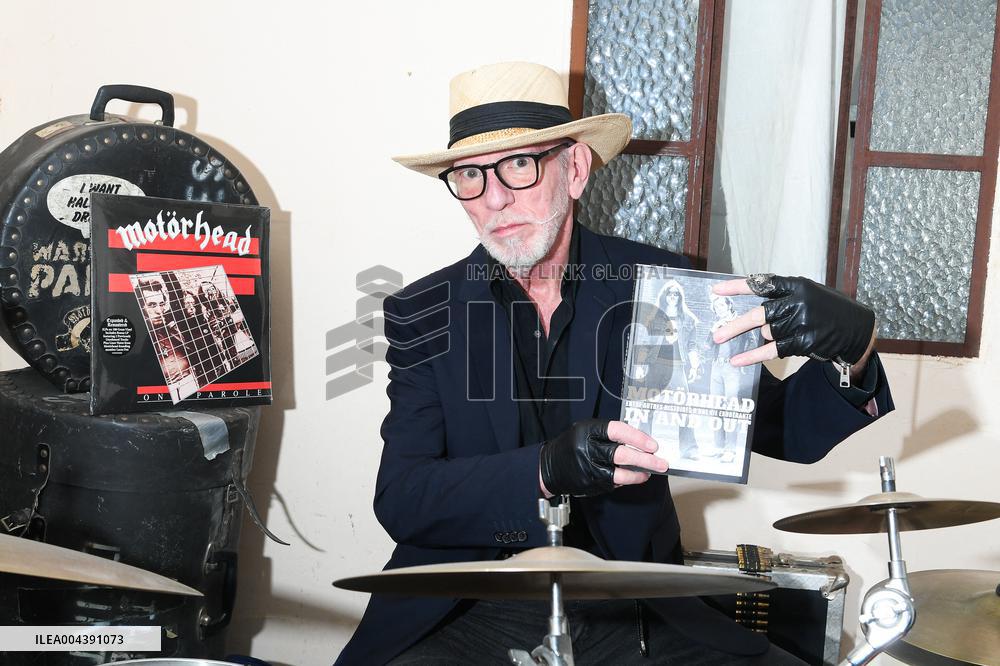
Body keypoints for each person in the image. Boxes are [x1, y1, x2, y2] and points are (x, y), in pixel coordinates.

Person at [337, 62, 891, 665]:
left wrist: (853, 347)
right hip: (466, 604)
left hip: (632, 603)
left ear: (574, 169)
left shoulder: (663, 288)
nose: (495, 198)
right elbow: (403, 498)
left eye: (520, 165)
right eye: (470, 175)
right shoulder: (424, 311)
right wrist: (544, 471)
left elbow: (791, 433)